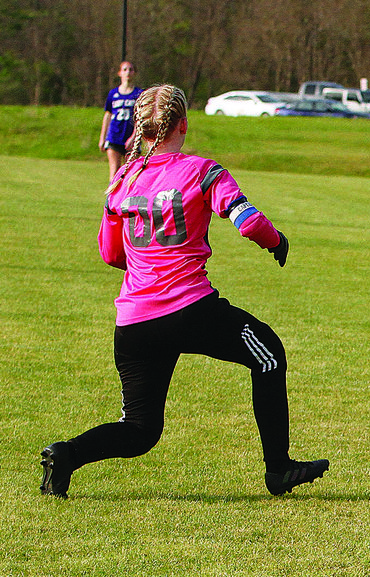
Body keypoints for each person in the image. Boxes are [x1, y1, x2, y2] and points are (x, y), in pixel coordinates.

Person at [40, 84, 329, 499]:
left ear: (142, 128)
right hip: (190, 310)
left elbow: (109, 254)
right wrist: (277, 242)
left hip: (134, 322)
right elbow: (247, 222)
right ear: (183, 124)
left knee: (140, 429)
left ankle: (65, 454)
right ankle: (278, 469)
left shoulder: (124, 177)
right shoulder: (202, 170)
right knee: (269, 356)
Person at [98, 61, 143, 183]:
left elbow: (141, 118)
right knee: (114, 171)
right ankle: (111, 201)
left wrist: (134, 137)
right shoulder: (113, 93)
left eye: (131, 69)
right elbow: (108, 115)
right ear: (119, 73)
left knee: (131, 172)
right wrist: (103, 138)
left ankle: (128, 200)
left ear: (135, 73)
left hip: (131, 138)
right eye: (125, 69)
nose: (128, 72)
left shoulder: (139, 94)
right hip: (114, 137)